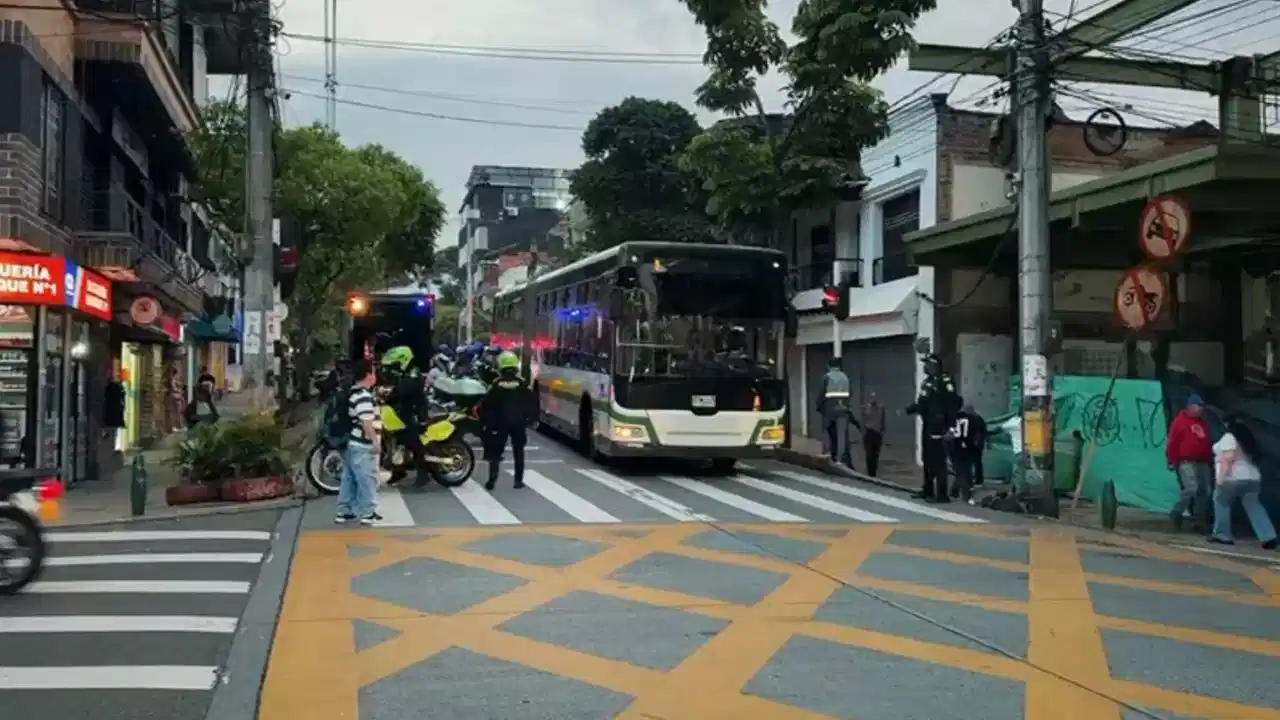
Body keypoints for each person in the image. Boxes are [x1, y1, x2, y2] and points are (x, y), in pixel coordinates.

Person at [1209, 415, 1277, 549]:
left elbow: (1228, 457)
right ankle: (1268, 536)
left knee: (1221, 502)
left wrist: (1221, 477)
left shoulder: (1229, 437)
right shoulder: (1247, 439)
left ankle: (1222, 535)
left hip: (1233, 478)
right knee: (1254, 507)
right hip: (1252, 478)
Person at [906, 354, 962, 503]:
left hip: (939, 427)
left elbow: (953, 404)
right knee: (927, 459)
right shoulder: (927, 382)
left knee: (939, 462)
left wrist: (950, 426)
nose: (925, 367)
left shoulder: (945, 382)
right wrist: (909, 410)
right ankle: (927, 489)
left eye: (927, 364)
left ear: (934, 366)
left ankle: (942, 494)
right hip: (927, 425)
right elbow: (922, 402)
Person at [335, 358, 382, 526]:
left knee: (349, 479)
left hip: (352, 443)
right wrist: (375, 441)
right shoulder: (363, 396)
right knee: (366, 479)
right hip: (362, 444)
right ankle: (367, 512)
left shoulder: (353, 392)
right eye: (374, 372)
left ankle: (344, 511)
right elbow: (366, 422)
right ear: (369, 375)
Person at [480, 350, 535, 491]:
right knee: (519, 451)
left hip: (500, 424)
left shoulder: (496, 384)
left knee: (496, 453)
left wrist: (486, 422)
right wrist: (529, 419)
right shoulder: (522, 383)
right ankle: (518, 481)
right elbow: (531, 402)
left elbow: (487, 405)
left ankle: (492, 480)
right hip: (518, 423)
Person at [378, 346, 430, 487]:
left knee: (409, 437)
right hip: (404, 409)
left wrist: (389, 394)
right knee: (394, 436)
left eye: (394, 364)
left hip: (417, 412)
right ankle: (397, 470)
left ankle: (423, 471)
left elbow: (402, 390)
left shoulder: (413, 374)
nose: (392, 369)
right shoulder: (403, 373)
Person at [1166, 394, 1214, 532]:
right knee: (1191, 488)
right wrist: (1171, 459)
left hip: (1202, 461)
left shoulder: (1203, 423)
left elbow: (1206, 441)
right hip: (1186, 460)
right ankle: (1177, 511)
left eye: (1201, 407)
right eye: (1198, 406)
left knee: (1205, 491)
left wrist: (1209, 459)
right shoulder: (1179, 421)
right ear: (1190, 406)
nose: (1200, 409)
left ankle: (1198, 521)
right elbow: (1172, 442)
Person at [816, 358, 853, 467]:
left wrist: (819, 407)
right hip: (843, 409)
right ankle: (840, 459)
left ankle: (827, 454)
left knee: (827, 432)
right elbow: (850, 393)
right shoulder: (845, 377)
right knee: (841, 434)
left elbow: (821, 394)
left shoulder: (827, 377)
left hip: (829, 409)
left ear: (829, 365)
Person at [949, 403, 986, 503]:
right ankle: (966, 495)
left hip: (954, 447)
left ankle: (954, 492)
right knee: (965, 472)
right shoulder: (974, 419)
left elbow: (950, 433)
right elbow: (978, 434)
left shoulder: (953, 418)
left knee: (960, 471)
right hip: (967, 448)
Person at [862, 392, 886, 477]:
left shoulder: (881, 408)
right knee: (869, 454)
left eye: (875, 397)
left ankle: (873, 473)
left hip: (877, 434)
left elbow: (883, 420)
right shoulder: (867, 408)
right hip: (869, 433)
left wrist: (882, 431)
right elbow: (865, 419)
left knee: (875, 455)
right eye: (871, 397)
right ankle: (870, 473)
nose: (873, 399)